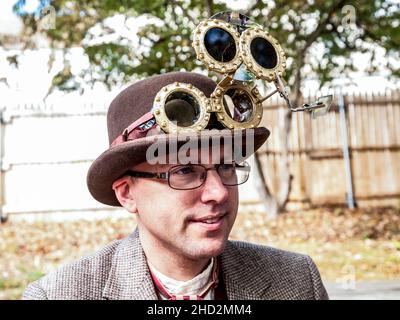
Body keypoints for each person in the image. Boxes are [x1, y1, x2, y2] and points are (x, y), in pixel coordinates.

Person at [23, 71, 328, 300]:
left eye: (225, 167)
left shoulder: (297, 280)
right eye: (184, 171)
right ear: (127, 193)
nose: (218, 192)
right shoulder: (58, 295)